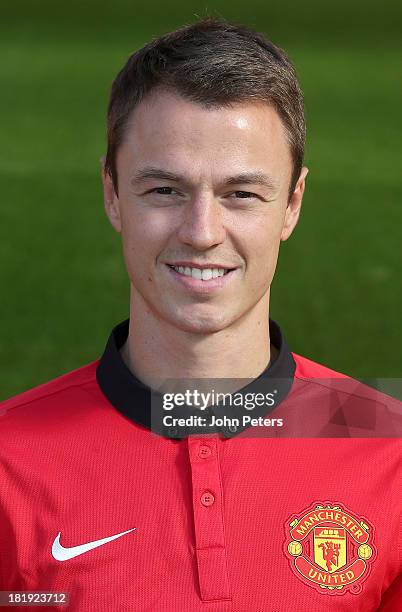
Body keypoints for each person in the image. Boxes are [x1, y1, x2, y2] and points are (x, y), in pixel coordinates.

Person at [0, 17, 401, 611]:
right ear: (112, 193)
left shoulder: (389, 447)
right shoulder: (8, 461)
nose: (202, 233)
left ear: (292, 204)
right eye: (165, 190)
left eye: (241, 193)